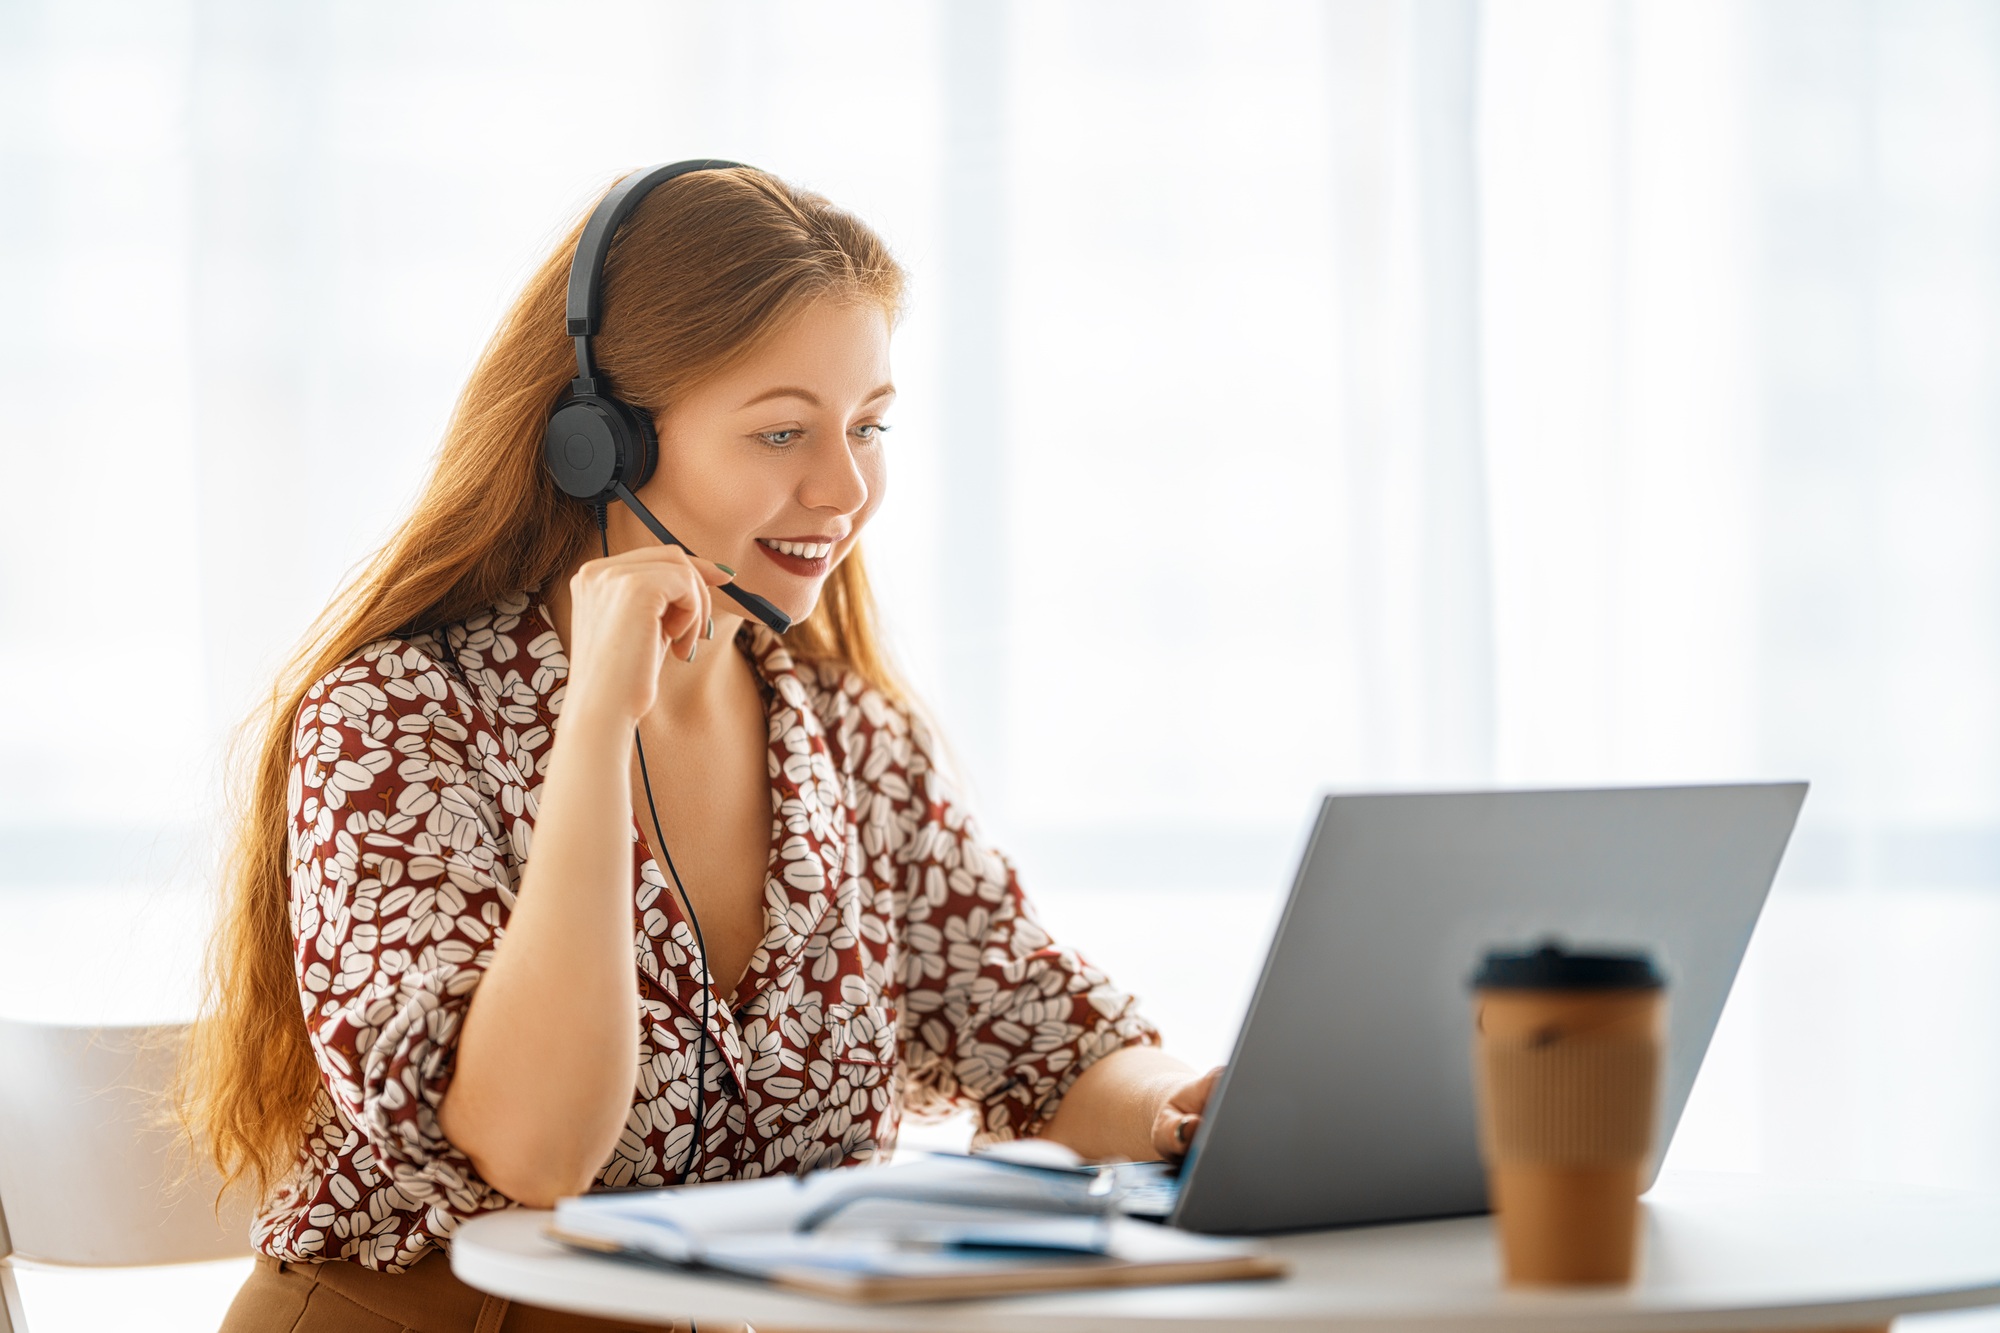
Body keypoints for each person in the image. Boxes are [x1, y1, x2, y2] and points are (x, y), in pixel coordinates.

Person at [184, 164, 1220, 1332]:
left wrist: (1195, 1108)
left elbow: (1030, 1020)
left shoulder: (848, 733)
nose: (844, 487)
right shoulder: (394, 719)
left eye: (867, 426)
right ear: (600, 443)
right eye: (782, 430)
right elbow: (537, 1147)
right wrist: (593, 724)